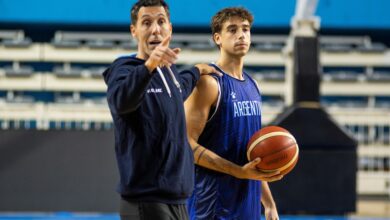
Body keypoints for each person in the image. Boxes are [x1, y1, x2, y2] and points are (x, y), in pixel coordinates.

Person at [103, 0, 218, 219]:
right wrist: (149, 66)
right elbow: (121, 101)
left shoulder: (170, 73)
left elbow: (180, 90)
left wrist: (196, 70)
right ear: (134, 31)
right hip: (145, 201)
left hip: (177, 201)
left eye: (161, 21)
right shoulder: (124, 70)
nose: (155, 29)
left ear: (170, 29)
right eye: (146, 23)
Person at [185, 7, 283, 220]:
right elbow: (188, 145)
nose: (241, 35)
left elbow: (253, 154)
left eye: (246, 29)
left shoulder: (253, 85)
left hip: (246, 203)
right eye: (232, 29)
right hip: (211, 205)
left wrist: (268, 203)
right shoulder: (208, 83)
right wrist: (239, 171)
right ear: (218, 38)